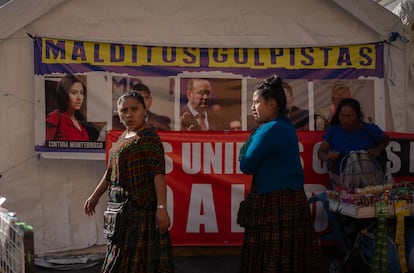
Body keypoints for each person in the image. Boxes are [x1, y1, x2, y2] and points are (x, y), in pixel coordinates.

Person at [238, 74, 321, 273]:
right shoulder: (284, 126)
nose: (252, 107)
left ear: (272, 104)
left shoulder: (271, 129)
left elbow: (246, 164)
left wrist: (246, 148)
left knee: (271, 256)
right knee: (289, 257)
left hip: (275, 201)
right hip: (287, 199)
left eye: (256, 102)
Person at [84, 90, 174, 273]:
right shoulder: (120, 139)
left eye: (134, 109)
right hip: (120, 214)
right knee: (119, 259)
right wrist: (94, 196)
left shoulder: (149, 138)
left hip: (141, 212)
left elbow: (158, 174)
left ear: (144, 110)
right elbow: (110, 173)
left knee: (139, 263)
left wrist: (162, 208)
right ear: (118, 113)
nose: (129, 114)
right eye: (124, 110)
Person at [317, 97, 390, 189]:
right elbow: (321, 153)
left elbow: (386, 139)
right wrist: (329, 156)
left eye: (349, 116)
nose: (345, 119)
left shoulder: (368, 128)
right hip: (341, 180)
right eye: (342, 116)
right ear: (338, 115)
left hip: (370, 180)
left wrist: (377, 150)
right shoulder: (333, 130)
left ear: (357, 115)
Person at [46, 74, 94, 141]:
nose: (79, 97)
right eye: (74, 93)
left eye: (82, 93)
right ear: (64, 94)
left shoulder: (79, 122)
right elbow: (46, 148)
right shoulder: (55, 117)